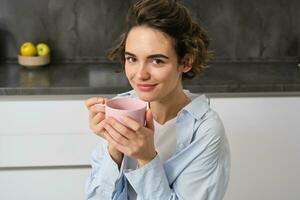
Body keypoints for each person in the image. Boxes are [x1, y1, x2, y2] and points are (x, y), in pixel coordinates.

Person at [85, 0, 230, 199]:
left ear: (186, 62)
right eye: (132, 59)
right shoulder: (122, 108)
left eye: (157, 60)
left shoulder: (206, 132)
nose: (140, 74)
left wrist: (146, 158)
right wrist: (114, 148)